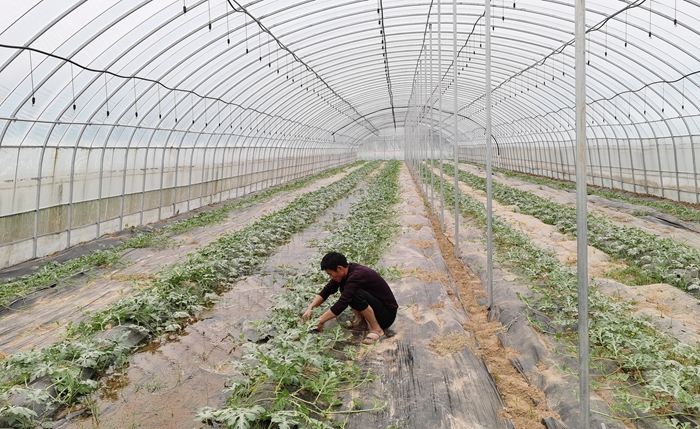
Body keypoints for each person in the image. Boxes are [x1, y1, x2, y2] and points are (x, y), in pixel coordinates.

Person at [301, 252, 398, 344]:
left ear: (339, 268)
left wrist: (319, 320)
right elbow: (327, 290)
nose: (330, 277)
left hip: (387, 315)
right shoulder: (346, 272)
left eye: (330, 274)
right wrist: (310, 308)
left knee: (354, 294)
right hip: (378, 308)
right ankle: (361, 322)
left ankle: (377, 329)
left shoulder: (356, 275)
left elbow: (342, 303)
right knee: (345, 289)